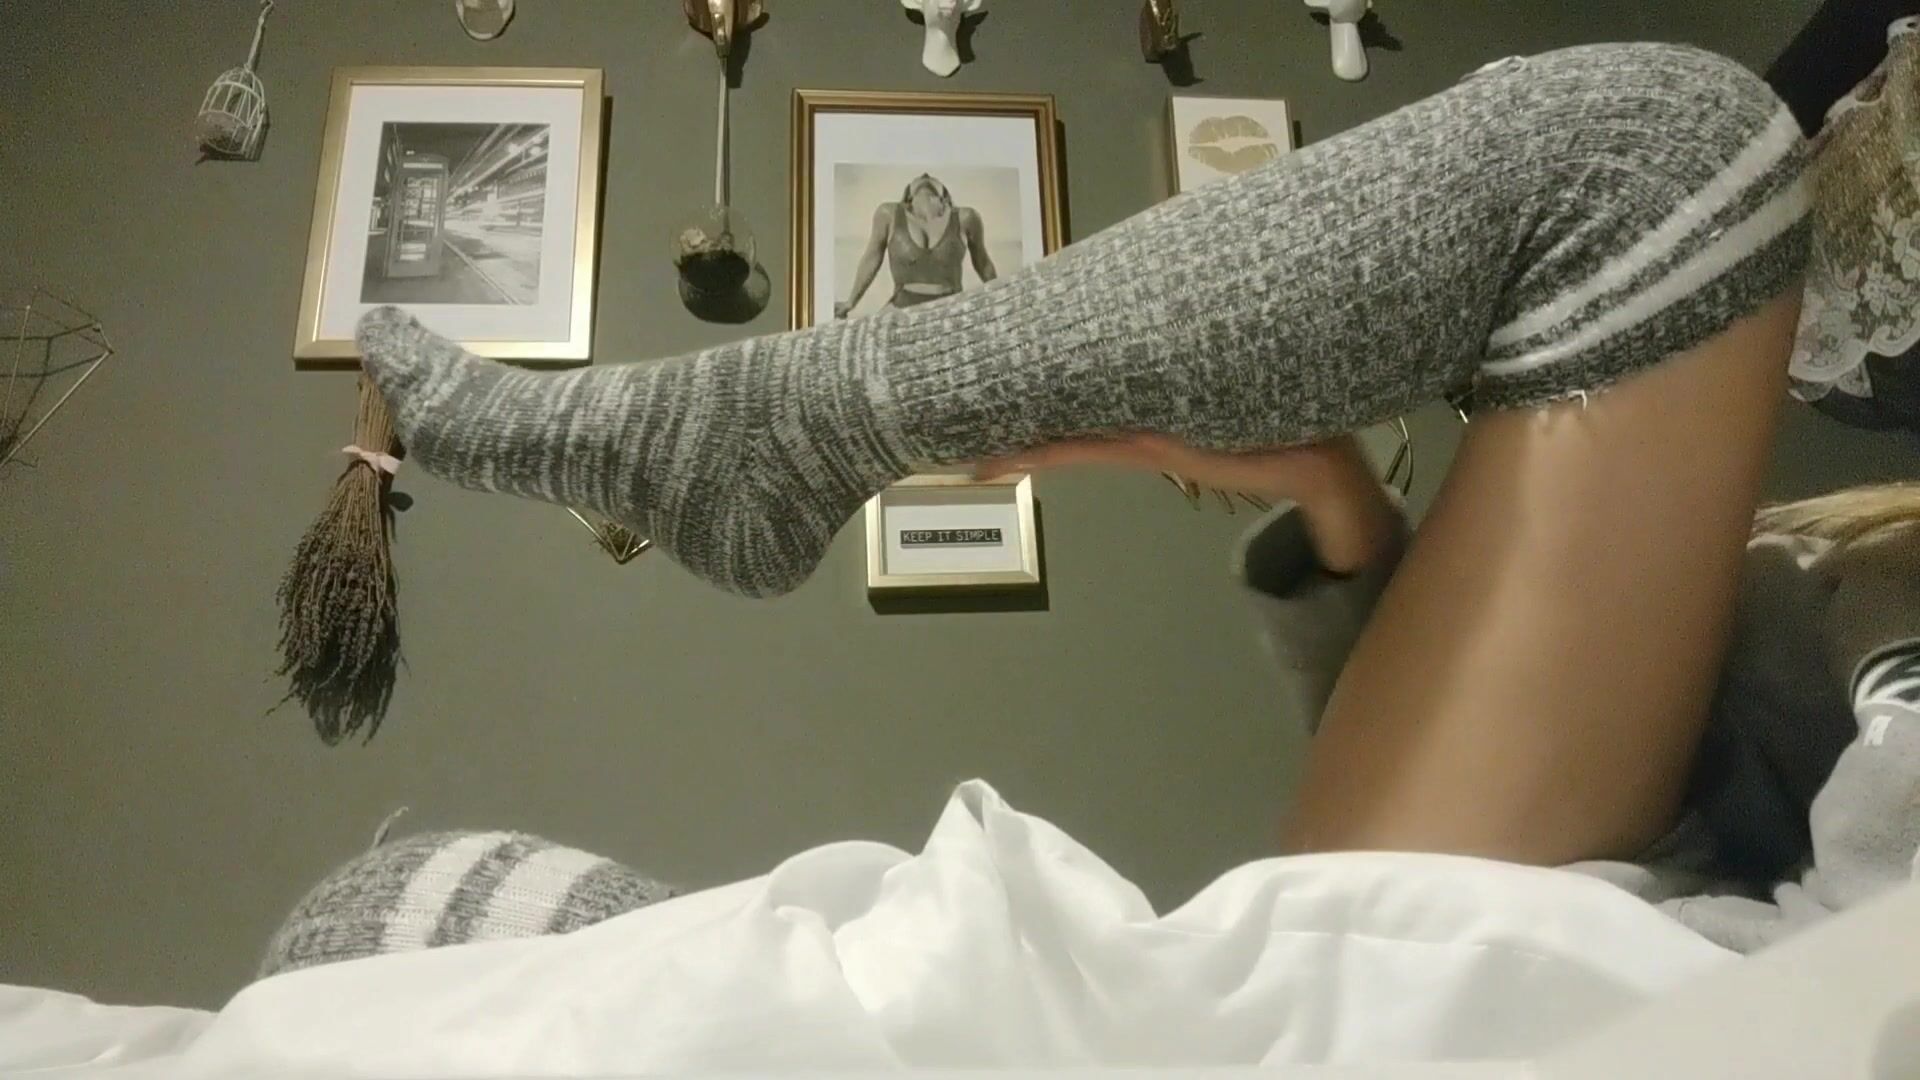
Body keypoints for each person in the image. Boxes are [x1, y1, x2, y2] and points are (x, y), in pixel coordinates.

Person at [356, 41, 1807, 867]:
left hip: (1563, 928)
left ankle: (795, 421)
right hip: (1580, 892)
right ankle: (797, 421)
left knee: (1664, 148)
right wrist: (1335, 495)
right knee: (1661, 151)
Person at [835, 173, 998, 319]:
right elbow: (872, 258)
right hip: (902, 309)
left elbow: (983, 264)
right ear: (908, 197)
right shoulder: (889, 214)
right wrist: (851, 302)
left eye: (932, 179)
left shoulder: (965, 218)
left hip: (951, 311)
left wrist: (1000, 297)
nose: (925, 176)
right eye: (919, 179)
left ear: (944, 197)